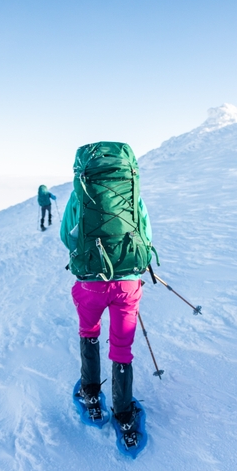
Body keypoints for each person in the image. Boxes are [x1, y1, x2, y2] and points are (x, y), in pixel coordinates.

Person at [60, 142, 156, 451]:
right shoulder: (131, 194)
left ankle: (91, 397)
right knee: (122, 345)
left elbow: (66, 235)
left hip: (90, 283)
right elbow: (146, 234)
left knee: (89, 332)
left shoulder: (79, 196)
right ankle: (125, 416)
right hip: (127, 282)